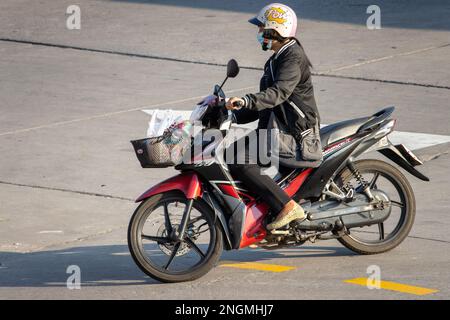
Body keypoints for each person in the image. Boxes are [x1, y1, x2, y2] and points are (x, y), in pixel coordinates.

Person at [225, 3, 320, 230]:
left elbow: (278, 94)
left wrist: (247, 100)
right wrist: (231, 112)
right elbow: (266, 105)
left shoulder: (292, 58)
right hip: (275, 128)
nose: (258, 34)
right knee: (229, 153)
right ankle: (263, 210)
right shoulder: (277, 58)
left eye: (261, 30)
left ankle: (287, 207)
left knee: (239, 160)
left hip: (294, 135)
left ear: (275, 31)